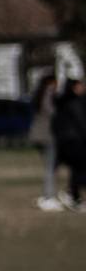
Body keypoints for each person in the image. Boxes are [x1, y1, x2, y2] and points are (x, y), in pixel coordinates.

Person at [28, 75, 61, 211]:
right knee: (50, 167)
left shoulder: (39, 93)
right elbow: (51, 112)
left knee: (50, 166)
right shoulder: (48, 93)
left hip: (38, 135)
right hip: (47, 136)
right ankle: (48, 196)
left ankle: (49, 195)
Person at [55, 79, 86, 210]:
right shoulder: (75, 103)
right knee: (80, 169)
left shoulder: (65, 101)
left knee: (77, 170)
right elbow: (81, 122)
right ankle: (72, 195)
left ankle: (73, 195)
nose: (83, 88)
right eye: (80, 86)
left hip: (68, 141)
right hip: (75, 141)